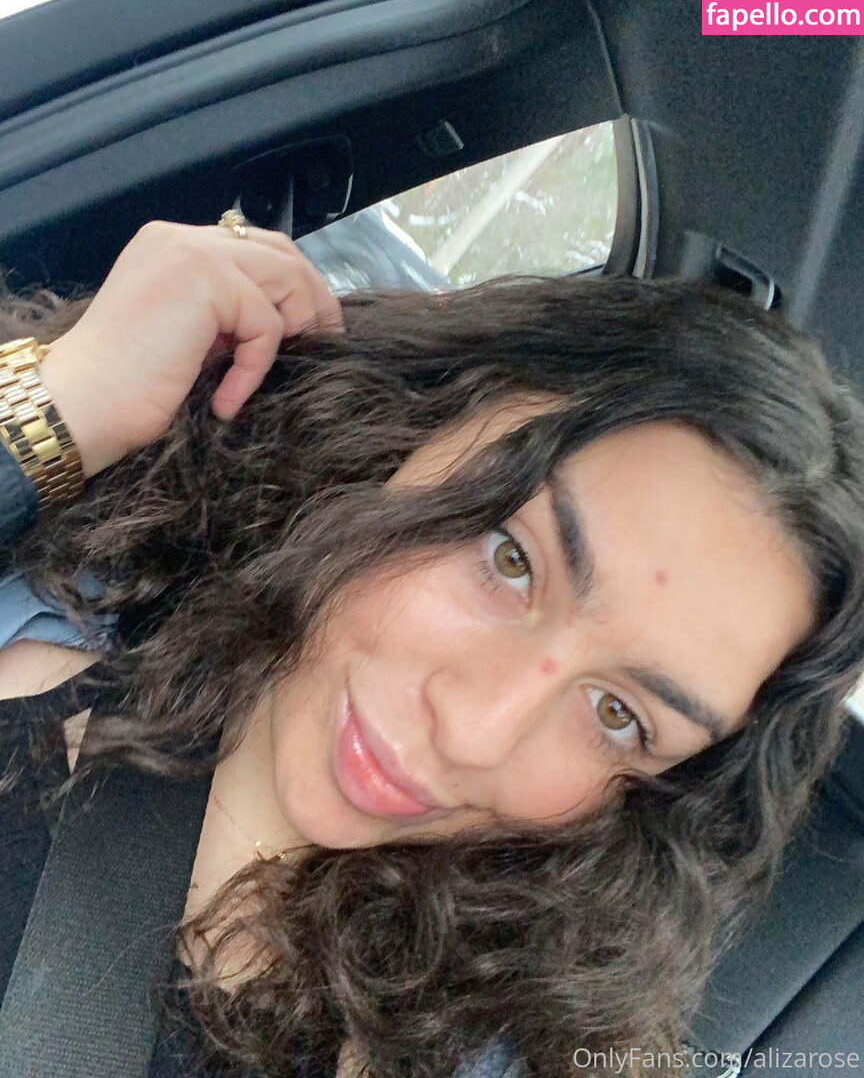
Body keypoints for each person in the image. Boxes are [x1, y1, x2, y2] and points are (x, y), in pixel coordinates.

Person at [0, 215, 863, 1078]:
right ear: (440, 411)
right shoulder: (79, 560)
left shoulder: (514, 1040)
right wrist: (55, 414)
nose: (477, 729)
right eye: (511, 560)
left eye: (617, 715)